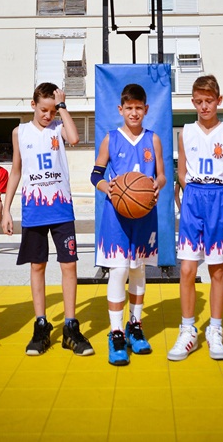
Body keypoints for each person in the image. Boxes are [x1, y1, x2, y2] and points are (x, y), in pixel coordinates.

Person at [2, 83, 93, 356]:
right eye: (44, 109)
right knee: (37, 266)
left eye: (52, 110)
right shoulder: (21, 132)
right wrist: (7, 209)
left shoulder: (58, 128)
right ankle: (41, 325)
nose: (48, 115)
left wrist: (63, 107)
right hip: (34, 209)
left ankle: (70, 326)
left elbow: (75, 138)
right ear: (33, 105)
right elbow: (16, 172)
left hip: (61, 208)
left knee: (69, 266)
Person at [167, 75, 223, 362]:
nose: (204, 106)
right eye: (198, 102)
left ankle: (216, 330)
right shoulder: (185, 131)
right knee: (186, 269)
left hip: (221, 200)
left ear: (218, 101)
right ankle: (187, 330)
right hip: (193, 199)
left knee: (217, 270)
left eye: (209, 101)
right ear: (193, 102)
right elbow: (182, 172)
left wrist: (219, 198)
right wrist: (193, 195)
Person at [92, 83, 166, 366]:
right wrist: (105, 187)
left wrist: (156, 187)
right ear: (120, 110)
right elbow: (95, 174)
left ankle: (136, 325)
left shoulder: (153, 139)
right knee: (119, 269)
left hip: (145, 213)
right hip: (117, 215)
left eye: (139, 108)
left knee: (138, 270)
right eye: (129, 108)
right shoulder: (111, 139)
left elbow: (160, 175)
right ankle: (116, 332)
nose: (134, 113)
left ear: (146, 110)